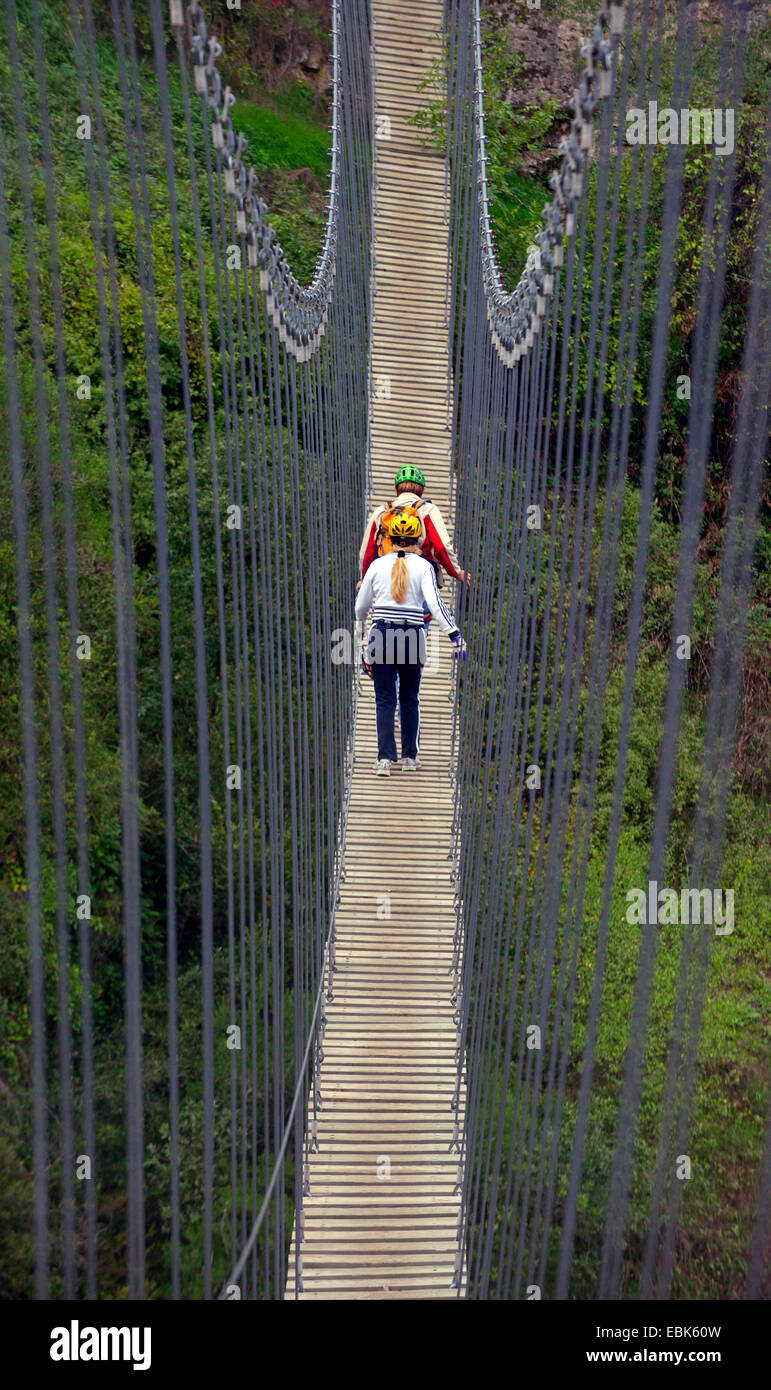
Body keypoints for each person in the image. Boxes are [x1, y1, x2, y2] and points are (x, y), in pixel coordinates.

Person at [355, 511, 467, 776]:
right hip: (413, 637)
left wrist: (360, 639)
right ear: (419, 538)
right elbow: (437, 606)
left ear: (390, 538)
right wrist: (455, 636)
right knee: (409, 697)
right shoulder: (424, 567)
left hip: (381, 636)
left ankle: (384, 759)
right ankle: (409, 758)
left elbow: (361, 607)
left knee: (384, 699)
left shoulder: (376, 566)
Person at [358, 465, 471, 595]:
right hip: (420, 582)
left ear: (396, 489)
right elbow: (441, 547)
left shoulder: (381, 512)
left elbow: (367, 552)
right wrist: (456, 572)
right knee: (422, 612)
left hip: (387, 580)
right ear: (422, 491)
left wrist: (364, 579)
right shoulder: (428, 510)